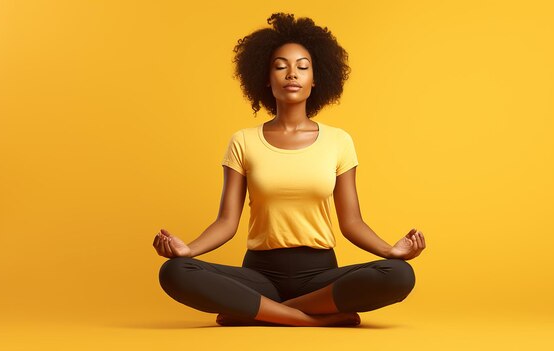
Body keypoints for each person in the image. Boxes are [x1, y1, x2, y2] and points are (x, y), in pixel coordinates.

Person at [153, 12, 426, 327]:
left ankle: (261, 311)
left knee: (399, 274)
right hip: (259, 275)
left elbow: (351, 222)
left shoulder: (339, 141)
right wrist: (188, 249)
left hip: (320, 277)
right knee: (174, 271)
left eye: (302, 67)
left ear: (315, 78)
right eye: (280, 66)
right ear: (266, 79)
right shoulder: (243, 141)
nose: (291, 74)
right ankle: (310, 319)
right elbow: (227, 222)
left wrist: (392, 250)